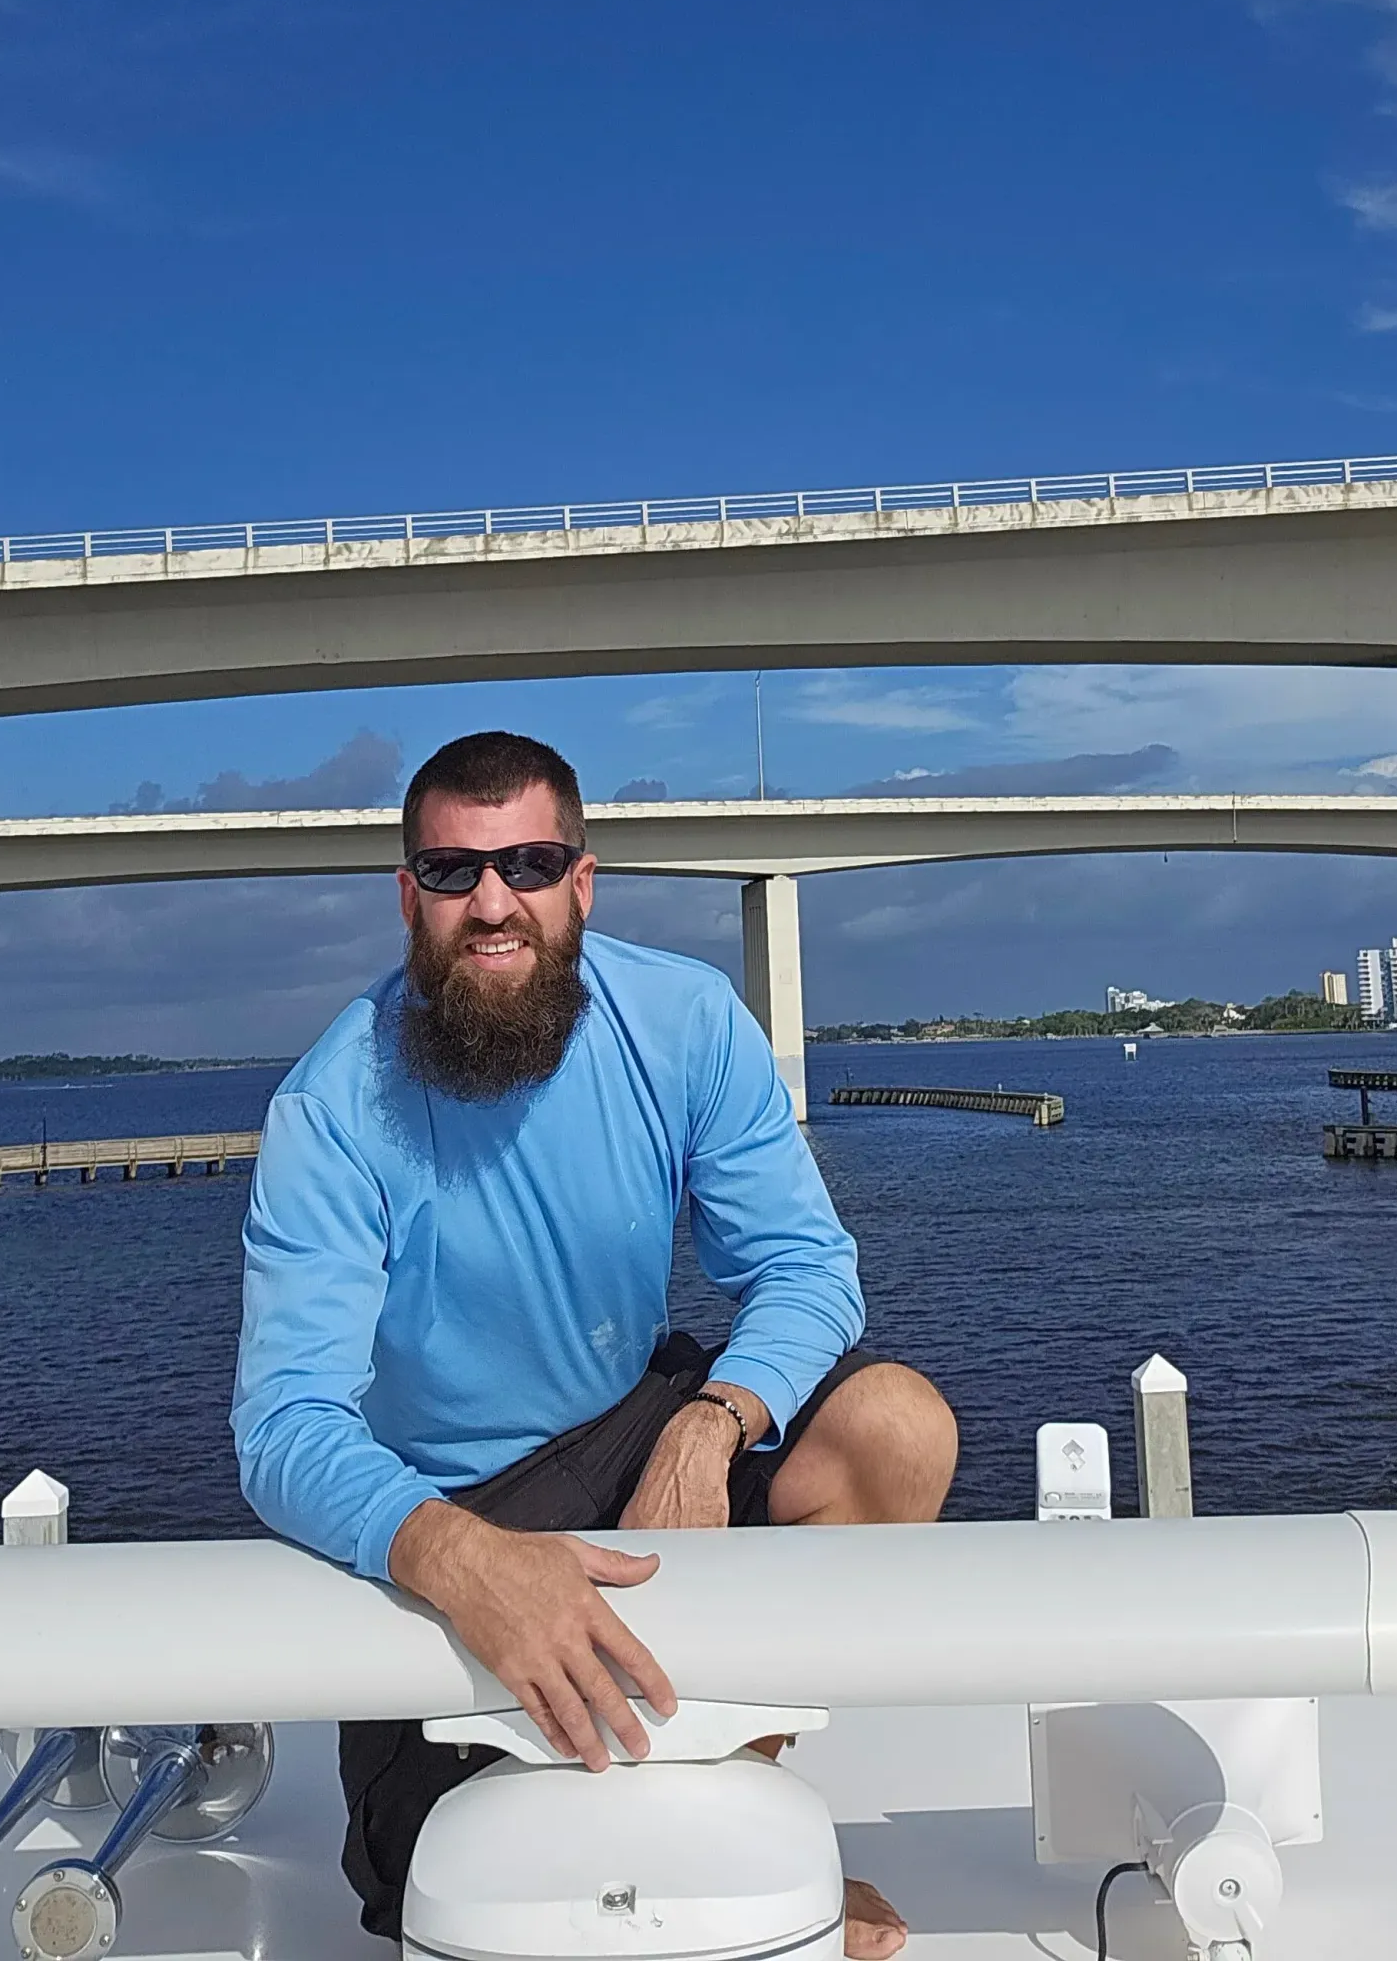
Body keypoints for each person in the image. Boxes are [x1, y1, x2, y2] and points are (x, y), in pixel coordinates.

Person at [232, 729, 958, 1953]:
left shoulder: (680, 1022)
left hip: (634, 1429)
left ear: (584, 879)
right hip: (446, 1500)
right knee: (485, 1889)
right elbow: (285, 1425)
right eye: (455, 874)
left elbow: (806, 1267)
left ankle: (744, 1785)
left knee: (896, 1425)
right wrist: (461, 1559)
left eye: (529, 862)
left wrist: (710, 1421)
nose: (493, 903)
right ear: (409, 898)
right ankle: (708, 1842)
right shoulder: (328, 1106)